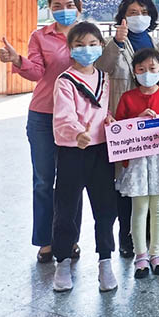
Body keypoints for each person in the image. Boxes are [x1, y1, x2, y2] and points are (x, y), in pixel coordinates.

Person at [0, 0, 83, 263]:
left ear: (79, 7)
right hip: (44, 116)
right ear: (49, 8)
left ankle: (69, 239)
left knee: (72, 181)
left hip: (77, 119)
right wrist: (17, 60)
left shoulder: (88, 35)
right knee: (44, 181)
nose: (63, 10)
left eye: (69, 5)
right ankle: (45, 240)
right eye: (57, 6)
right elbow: (36, 72)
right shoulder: (40, 36)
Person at [96, 0, 159, 257]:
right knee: (127, 182)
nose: (138, 16)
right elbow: (101, 67)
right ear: (122, 16)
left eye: (143, 12)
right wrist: (117, 43)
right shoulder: (114, 42)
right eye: (132, 12)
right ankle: (127, 237)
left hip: (156, 126)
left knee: (156, 180)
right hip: (127, 125)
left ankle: (154, 236)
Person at [51, 22, 118, 293]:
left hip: (101, 150)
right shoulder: (65, 81)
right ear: (70, 49)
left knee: (105, 208)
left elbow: (103, 110)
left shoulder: (104, 78)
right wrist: (78, 133)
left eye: (92, 44)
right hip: (73, 151)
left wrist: (109, 120)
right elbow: (64, 115)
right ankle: (63, 261)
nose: (86, 50)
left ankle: (105, 261)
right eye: (79, 45)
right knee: (66, 207)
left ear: (101, 46)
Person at [114, 48, 159, 278]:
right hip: (137, 161)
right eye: (141, 69)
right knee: (139, 208)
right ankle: (141, 256)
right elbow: (119, 131)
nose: (147, 73)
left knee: (158, 207)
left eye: (152, 68)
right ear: (134, 72)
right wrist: (137, 121)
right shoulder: (128, 98)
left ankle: (156, 253)